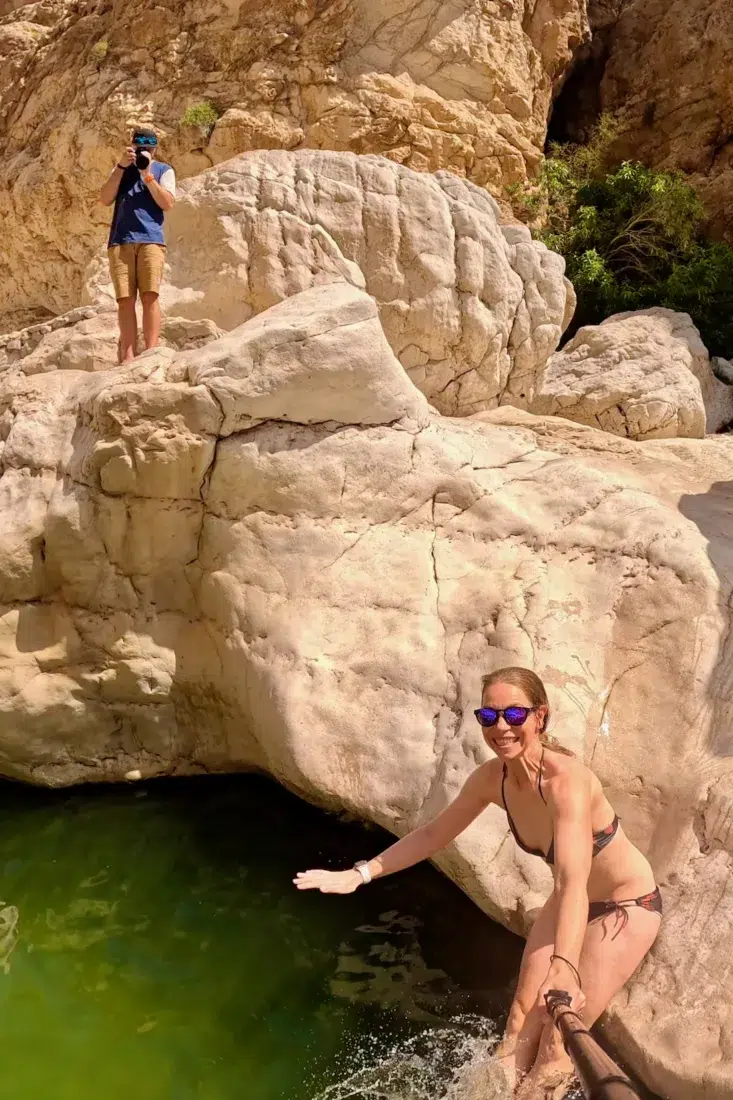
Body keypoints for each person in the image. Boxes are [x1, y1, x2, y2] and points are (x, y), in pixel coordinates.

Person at [294, 666, 662, 1099]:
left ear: (539, 717)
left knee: (554, 1047)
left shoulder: (569, 784)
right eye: (488, 717)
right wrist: (360, 874)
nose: (501, 727)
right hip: (568, 902)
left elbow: (571, 881)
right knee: (519, 1024)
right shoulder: (494, 780)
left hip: (624, 907)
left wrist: (564, 966)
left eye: (514, 715)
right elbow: (433, 834)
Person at [98, 128, 176, 363]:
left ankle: (151, 351)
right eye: (139, 148)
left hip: (151, 238)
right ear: (131, 146)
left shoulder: (164, 170)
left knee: (150, 295)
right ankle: (128, 355)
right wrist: (122, 167)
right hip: (120, 240)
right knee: (125, 299)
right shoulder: (121, 169)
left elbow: (167, 202)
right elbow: (104, 198)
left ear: (155, 149)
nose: (144, 152)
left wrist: (147, 174)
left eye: (148, 149)